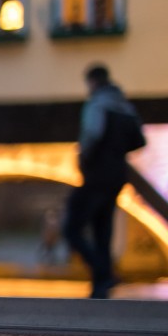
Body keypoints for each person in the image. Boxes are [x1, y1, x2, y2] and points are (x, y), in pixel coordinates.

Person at [63, 63, 145, 298]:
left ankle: (103, 272)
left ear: (93, 81)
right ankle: (101, 285)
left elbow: (92, 133)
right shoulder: (125, 106)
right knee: (103, 228)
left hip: (97, 174)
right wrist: (117, 149)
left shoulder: (97, 104)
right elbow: (139, 140)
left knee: (72, 227)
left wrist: (83, 156)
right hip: (117, 175)